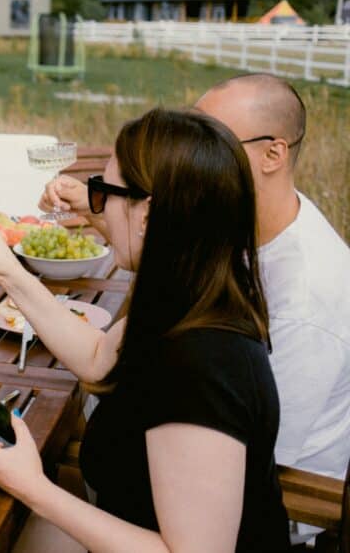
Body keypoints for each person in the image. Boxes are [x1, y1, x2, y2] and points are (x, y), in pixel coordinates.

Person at [0, 108, 290, 551]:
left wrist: (33, 487)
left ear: (148, 214)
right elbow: (97, 360)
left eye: (104, 194)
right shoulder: (188, 295)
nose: (98, 210)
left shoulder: (201, 365)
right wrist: (10, 275)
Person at [42, 73, 350, 484]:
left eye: (212, 138)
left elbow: (256, 458)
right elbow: (168, 260)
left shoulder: (305, 297)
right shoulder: (240, 221)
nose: (188, 149)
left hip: (252, 496)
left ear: (273, 155)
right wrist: (106, 207)